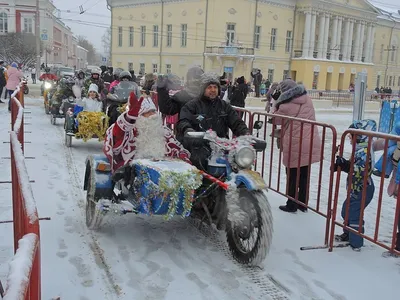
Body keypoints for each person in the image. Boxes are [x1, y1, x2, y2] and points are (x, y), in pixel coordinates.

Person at [103, 90, 190, 173]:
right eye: (148, 112)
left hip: (164, 172)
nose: (154, 115)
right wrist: (129, 117)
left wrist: (183, 161)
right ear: (140, 117)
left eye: (154, 111)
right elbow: (117, 134)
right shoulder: (130, 131)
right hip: (134, 173)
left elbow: (179, 150)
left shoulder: (164, 132)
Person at [177, 72, 248, 168]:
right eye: (209, 87)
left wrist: (246, 134)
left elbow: (236, 122)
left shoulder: (224, 106)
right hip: (199, 147)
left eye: (215, 87)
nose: (213, 90)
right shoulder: (192, 105)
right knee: (200, 160)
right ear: (203, 89)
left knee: (240, 162)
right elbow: (183, 121)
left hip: (221, 147)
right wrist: (188, 130)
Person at [271, 79, 322, 213]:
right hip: (310, 141)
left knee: (292, 173)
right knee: (304, 173)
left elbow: (274, 119)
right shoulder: (307, 99)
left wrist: (275, 103)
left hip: (295, 142)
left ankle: (291, 203)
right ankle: (303, 203)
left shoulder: (286, 105)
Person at [334, 119, 377, 251]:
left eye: (352, 136)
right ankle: (348, 233)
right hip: (355, 188)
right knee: (346, 209)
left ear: (360, 137)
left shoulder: (364, 151)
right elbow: (354, 166)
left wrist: (345, 165)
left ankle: (356, 242)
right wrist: (342, 164)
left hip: (363, 189)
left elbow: (359, 170)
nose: (350, 140)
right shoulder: (359, 150)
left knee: (353, 213)